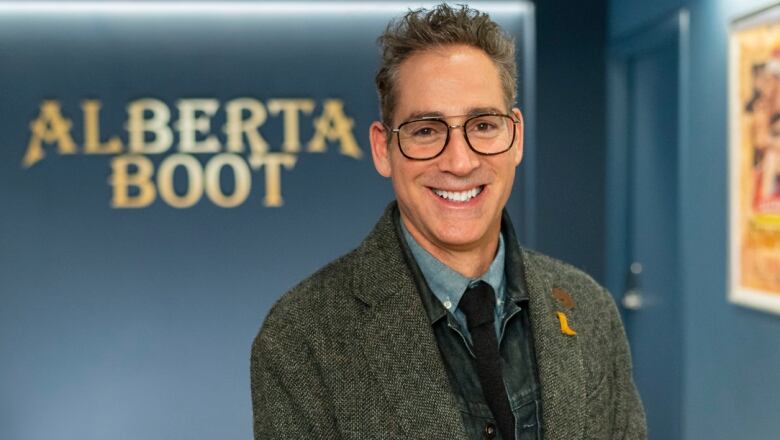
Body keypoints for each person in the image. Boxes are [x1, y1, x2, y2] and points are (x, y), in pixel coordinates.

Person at [250, 4, 646, 439]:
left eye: (483, 125)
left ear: (516, 135)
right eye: (426, 130)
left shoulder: (589, 308)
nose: (460, 161)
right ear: (384, 149)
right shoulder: (301, 337)